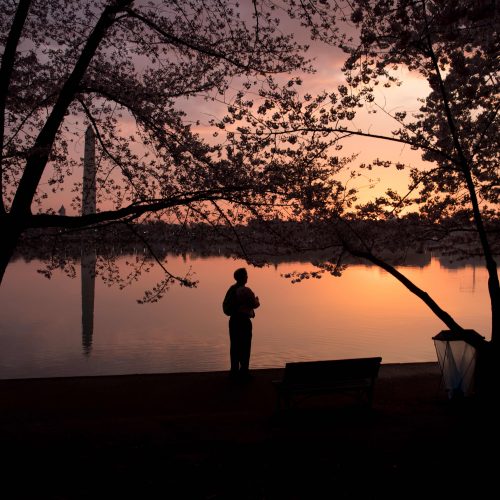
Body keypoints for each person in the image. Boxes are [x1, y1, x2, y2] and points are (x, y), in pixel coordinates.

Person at [225, 268, 260, 380]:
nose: (247, 277)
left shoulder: (231, 289)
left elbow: (225, 307)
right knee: (245, 346)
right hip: (244, 321)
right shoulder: (246, 291)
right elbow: (255, 304)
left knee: (235, 346)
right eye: (246, 275)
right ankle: (244, 372)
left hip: (234, 320)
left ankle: (234, 372)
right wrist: (257, 300)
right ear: (243, 277)